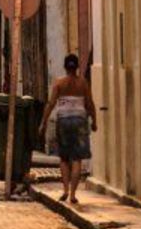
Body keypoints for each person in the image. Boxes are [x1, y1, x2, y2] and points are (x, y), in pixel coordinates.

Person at [39, 53, 97, 204]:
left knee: (64, 158)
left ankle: (65, 189)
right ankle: (73, 194)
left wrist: (43, 122)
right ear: (77, 67)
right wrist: (94, 121)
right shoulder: (83, 83)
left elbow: (51, 104)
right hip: (80, 120)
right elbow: (90, 104)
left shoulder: (59, 83)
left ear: (65, 67)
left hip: (63, 120)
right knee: (77, 159)